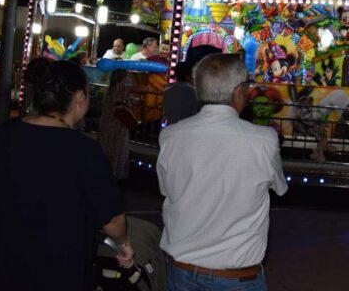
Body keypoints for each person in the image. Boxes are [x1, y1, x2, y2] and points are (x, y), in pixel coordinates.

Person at [0, 58, 134, 290]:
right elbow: (112, 220)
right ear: (79, 99)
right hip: (56, 270)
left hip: (0, 264)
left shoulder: (5, 134)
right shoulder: (83, 150)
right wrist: (124, 244)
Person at [157, 54, 287, 290]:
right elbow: (279, 187)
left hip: (182, 271)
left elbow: (166, 189)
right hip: (236, 277)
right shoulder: (264, 140)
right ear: (239, 92)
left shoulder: (170, 136)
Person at [97, 69, 132, 180]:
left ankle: (103, 169)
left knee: (106, 145)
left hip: (106, 121)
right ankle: (115, 172)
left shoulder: (109, 88)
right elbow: (125, 105)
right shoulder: (121, 89)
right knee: (117, 147)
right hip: (118, 123)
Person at [162, 59, 199, 125]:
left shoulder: (167, 91)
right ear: (188, 77)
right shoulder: (194, 93)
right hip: (187, 129)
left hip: (170, 128)